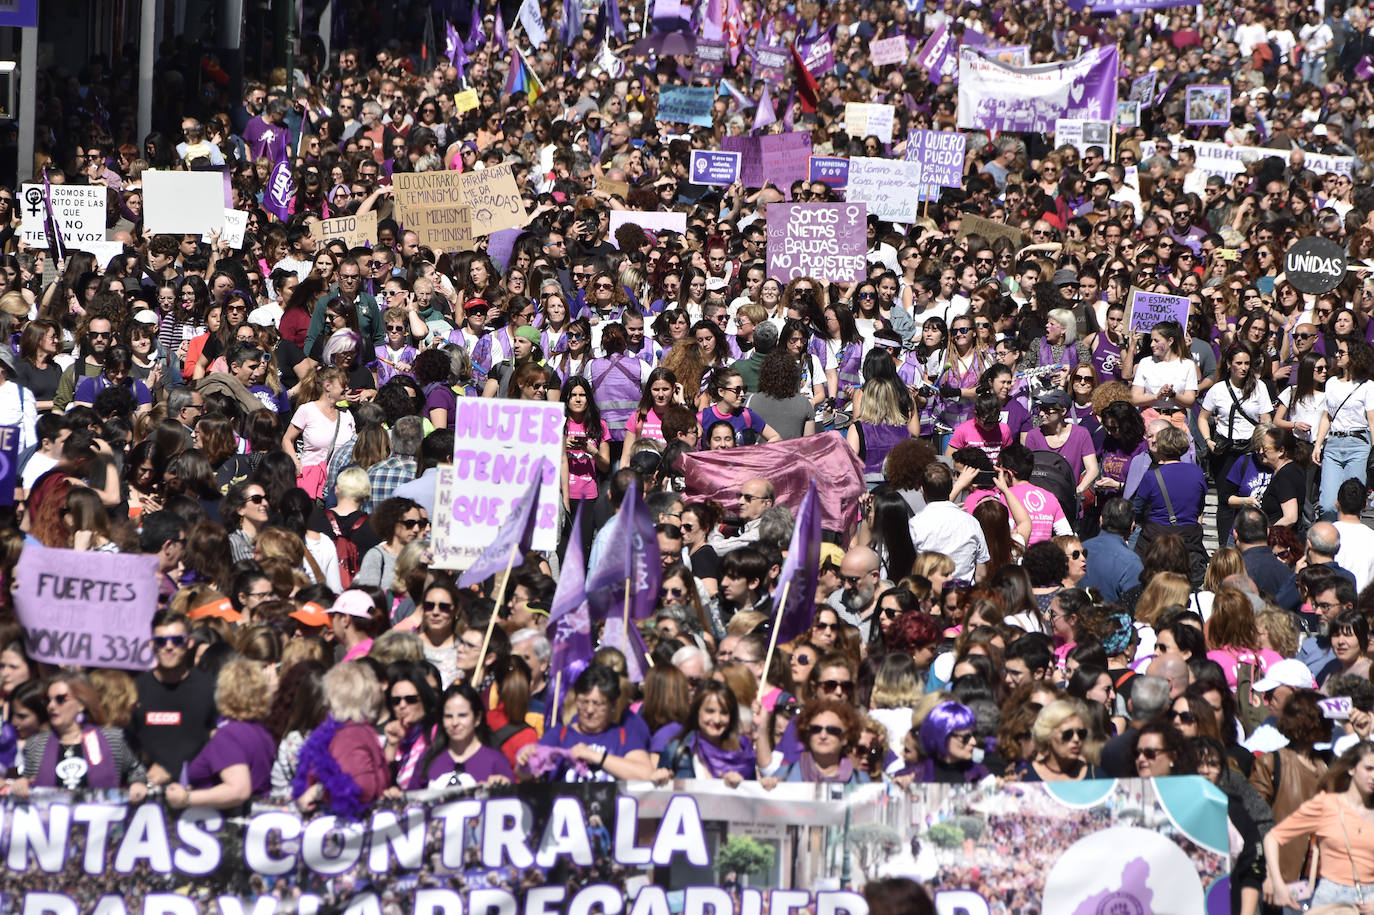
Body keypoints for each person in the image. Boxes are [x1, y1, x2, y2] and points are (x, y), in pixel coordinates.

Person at [1263, 741, 1374, 910]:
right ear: (1351, 769)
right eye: (1368, 769)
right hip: (1331, 898)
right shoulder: (1326, 804)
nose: (1373, 776)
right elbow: (1273, 837)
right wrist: (1278, 884)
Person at [164, 659, 276, 811]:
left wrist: (186, 798)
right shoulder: (260, 730)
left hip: (226, 827)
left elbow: (238, 790)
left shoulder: (228, 734)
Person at [14, 673, 148, 797]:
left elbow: (136, 770)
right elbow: (28, 782)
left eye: (60, 699)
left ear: (80, 704)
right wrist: (22, 784)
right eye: (48, 700)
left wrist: (138, 784)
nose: (51, 706)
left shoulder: (111, 738)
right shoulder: (36, 744)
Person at [410, 682, 514, 789]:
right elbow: (411, 800)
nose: (455, 722)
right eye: (448, 716)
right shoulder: (427, 759)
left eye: (462, 715)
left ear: (477, 718)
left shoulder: (496, 761)